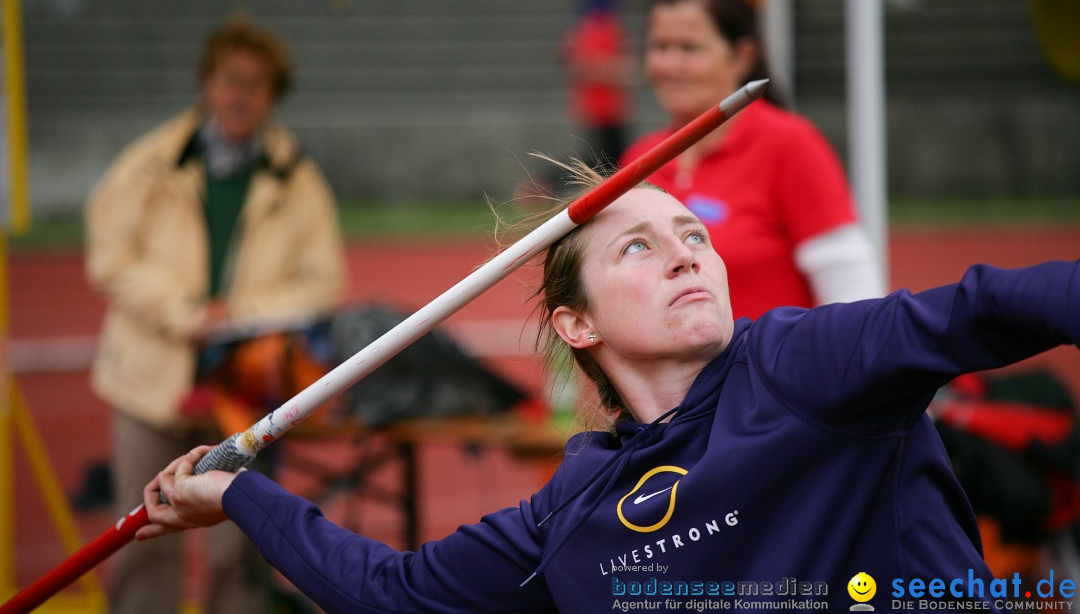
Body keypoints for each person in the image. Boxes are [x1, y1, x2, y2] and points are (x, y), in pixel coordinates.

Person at [137, 159, 1079, 613]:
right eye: (640, 245)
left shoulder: (804, 363)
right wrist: (238, 495)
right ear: (577, 325)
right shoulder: (575, 507)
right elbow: (395, 596)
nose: (686, 257)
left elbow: (986, 308)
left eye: (694, 236)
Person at [85, 14, 347, 613]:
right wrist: (184, 313)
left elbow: (324, 282)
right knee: (141, 540)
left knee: (242, 549)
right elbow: (108, 255)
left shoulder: (299, 178)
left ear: (272, 96)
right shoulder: (149, 163)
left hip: (243, 388)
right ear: (207, 83)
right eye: (230, 79)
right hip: (148, 381)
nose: (240, 95)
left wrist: (235, 314)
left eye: (256, 84)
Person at [621, 0, 883, 320]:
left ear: (742, 56)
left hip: (776, 371)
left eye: (689, 48)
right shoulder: (639, 158)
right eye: (660, 47)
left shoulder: (789, 144)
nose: (670, 65)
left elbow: (856, 299)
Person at [559, 0, 634, 168]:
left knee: (612, 161)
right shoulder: (593, 27)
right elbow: (582, 66)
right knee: (603, 163)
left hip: (612, 108)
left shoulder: (608, 25)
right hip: (597, 108)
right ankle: (546, 182)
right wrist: (613, 70)